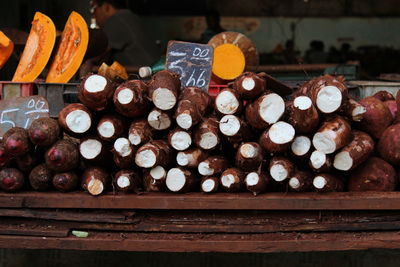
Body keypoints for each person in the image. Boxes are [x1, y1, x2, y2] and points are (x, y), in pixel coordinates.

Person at [89, 0, 160, 66]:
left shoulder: (117, 20)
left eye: (94, 9)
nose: (93, 15)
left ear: (106, 7)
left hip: (148, 74)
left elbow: (96, 57)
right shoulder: (129, 16)